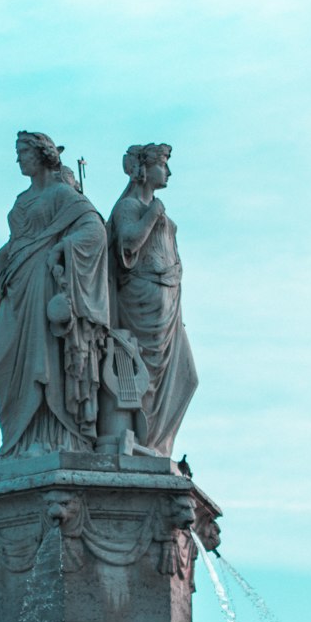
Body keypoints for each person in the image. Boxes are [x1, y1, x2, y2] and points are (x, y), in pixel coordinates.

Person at [0, 132, 110, 457]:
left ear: (42, 155)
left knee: (46, 361)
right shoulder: (21, 200)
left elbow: (94, 229)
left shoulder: (62, 194)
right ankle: (17, 440)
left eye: (22, 152)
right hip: (17, 286)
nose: (18, 160)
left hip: (45, 286)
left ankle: (53, 437)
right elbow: (16, 241)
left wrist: (62, 249)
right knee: (1, 362)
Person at [107, 143, 197, 456]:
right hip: (140, 300)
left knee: (187, 377)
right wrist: (153, 214)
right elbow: (129, 242)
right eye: (163, 164)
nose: (168, 171)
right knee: (143, 371)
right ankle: (140, 440)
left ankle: (157, 442)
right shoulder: (128, 207)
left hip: (169, 303)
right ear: (145, 169)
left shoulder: (156, 207)